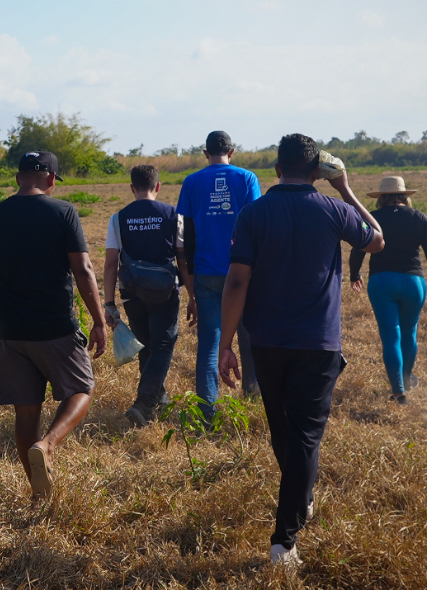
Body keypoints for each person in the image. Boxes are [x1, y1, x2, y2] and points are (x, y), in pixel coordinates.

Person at [216, 134, 385, 566]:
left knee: (283, 432)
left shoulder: (254, 213)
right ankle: (284, 542)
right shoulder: (334, 209)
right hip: (317, 344)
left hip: (266, 343)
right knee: (304, 438)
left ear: (275, 170)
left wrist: (226, 343)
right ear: (316, 173)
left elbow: (236, 282)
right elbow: (376, 240)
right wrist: (345, 189)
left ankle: (299, 502)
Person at [0, 151, 108, 499]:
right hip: (55, 327)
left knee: (26, 413)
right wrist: (100, 321)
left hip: (11, 331)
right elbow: (83, 269)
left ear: (18, 178)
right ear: (52, 179)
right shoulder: (63, 212)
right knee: (83, 388)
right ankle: (48, 444)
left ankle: (38, 493)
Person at [176, 130, 263, 421]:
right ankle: (252, 399)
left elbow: (187, 235)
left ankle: (206, 412)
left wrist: (190, 280)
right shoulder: (247, 178)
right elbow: (254, 224)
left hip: (206, 273)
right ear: (232, 151)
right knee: (248, 338)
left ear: (205, 153)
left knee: (209, 342)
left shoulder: (191, 181)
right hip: (242, 272)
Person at [348, 176, 427, 404]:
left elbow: (359, 250)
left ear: (381, 198)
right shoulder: (420, 218)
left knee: (390, 336)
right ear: (405, 196)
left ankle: (398, 392)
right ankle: (406, 379)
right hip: (413, 283)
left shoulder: (372, 218)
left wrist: (354, 274)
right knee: (409, 333)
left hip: (382, 282)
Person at [101, 164, 190, 427]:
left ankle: (157, 398)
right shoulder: (175, 215)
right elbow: (182, 260)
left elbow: (110, 264)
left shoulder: (118, 218)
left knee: (146, 345)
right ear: (158, 187)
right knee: (162, 345)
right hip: (165, 292)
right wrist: (193, 296)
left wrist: (109, 303)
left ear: (132, 188)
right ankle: (144, 402)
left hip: (132, 293)